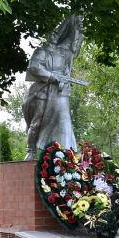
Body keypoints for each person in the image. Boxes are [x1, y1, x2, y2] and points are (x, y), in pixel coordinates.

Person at [22, 15, 85, 159]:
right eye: (51, 33)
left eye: (56, 33)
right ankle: (31, 150)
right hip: (43, 91)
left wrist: (78, 29)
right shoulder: (41, 51)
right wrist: (52, 76)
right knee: (36, 123)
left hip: (58, 92)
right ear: (46, 36)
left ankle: (61, 151)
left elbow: (74, 49)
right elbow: (34, 67)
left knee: (62, 121)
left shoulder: (63, 52)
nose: (54, 36)